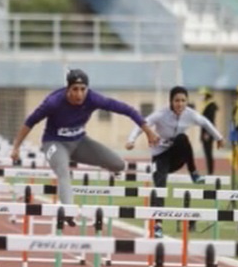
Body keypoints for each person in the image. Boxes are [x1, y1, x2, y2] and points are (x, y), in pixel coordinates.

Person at [9, 68, 159, 226]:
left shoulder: (93, 99)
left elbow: (127, 110)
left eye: (83, 89)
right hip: (54, 143)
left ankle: (109, 167)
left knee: (119, 164)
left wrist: (148, 131)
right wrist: (16, 147)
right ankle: (68, 211)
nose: (79, 94)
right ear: (68, 89)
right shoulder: (53, 102)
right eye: (75, 89)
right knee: (63, 171)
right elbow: (30, 122)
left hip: (79, 142)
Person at [126, 86, 224, 237]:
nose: (180, 104)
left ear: (187, 102)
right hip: (161, 156)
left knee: (182, 138)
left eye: (183, 101)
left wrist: (218, 138)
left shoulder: (190, 114)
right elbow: (142, 124)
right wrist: (131, 140)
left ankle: (194, 173)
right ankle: (158, 225)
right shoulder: (160, 114)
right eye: (177, 100)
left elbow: (205, 122)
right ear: (171, 101)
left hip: (177, 157)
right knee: (160, 186)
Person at [198, 87, 219, 175]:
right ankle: (209, 171)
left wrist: (207, 133)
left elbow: (210, 121)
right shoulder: (206, 105)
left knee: (208, 152)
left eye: (203, 95)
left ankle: (210, 172)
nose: (201, 96)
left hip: (208, 132)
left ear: (207, 95)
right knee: (207, 152)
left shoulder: (210, 106)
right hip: (204, 131)